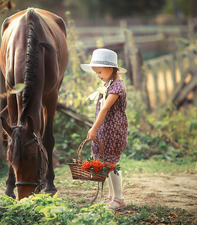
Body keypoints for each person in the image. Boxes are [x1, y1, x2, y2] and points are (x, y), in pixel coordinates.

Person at [80, 48, 128, 210]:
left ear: (109, 68)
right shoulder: (109, 83)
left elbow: (105, 109)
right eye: (96, 73)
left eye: (99, 72)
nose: (98, 75)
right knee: (105, 164)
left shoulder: (117, 86)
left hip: (113, 131)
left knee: (111, 164)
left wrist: (93, 128)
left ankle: (119, 199)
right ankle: (112, 197)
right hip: (105, 129)